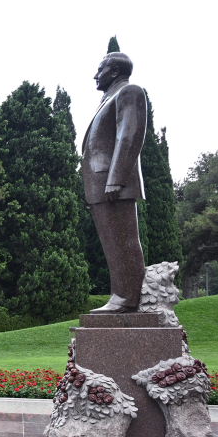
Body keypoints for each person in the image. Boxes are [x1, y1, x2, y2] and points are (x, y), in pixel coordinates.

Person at [82, 51, 148, 314]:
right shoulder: (108, 97)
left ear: (114, 72)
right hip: (100, 183)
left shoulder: (129, 91)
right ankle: (120, 294)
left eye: (100, 69)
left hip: (112, 183)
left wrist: (116, 179)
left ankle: (127, 297)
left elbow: (129, 135)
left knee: (124, 240)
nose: (95, 75)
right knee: (112, 242)